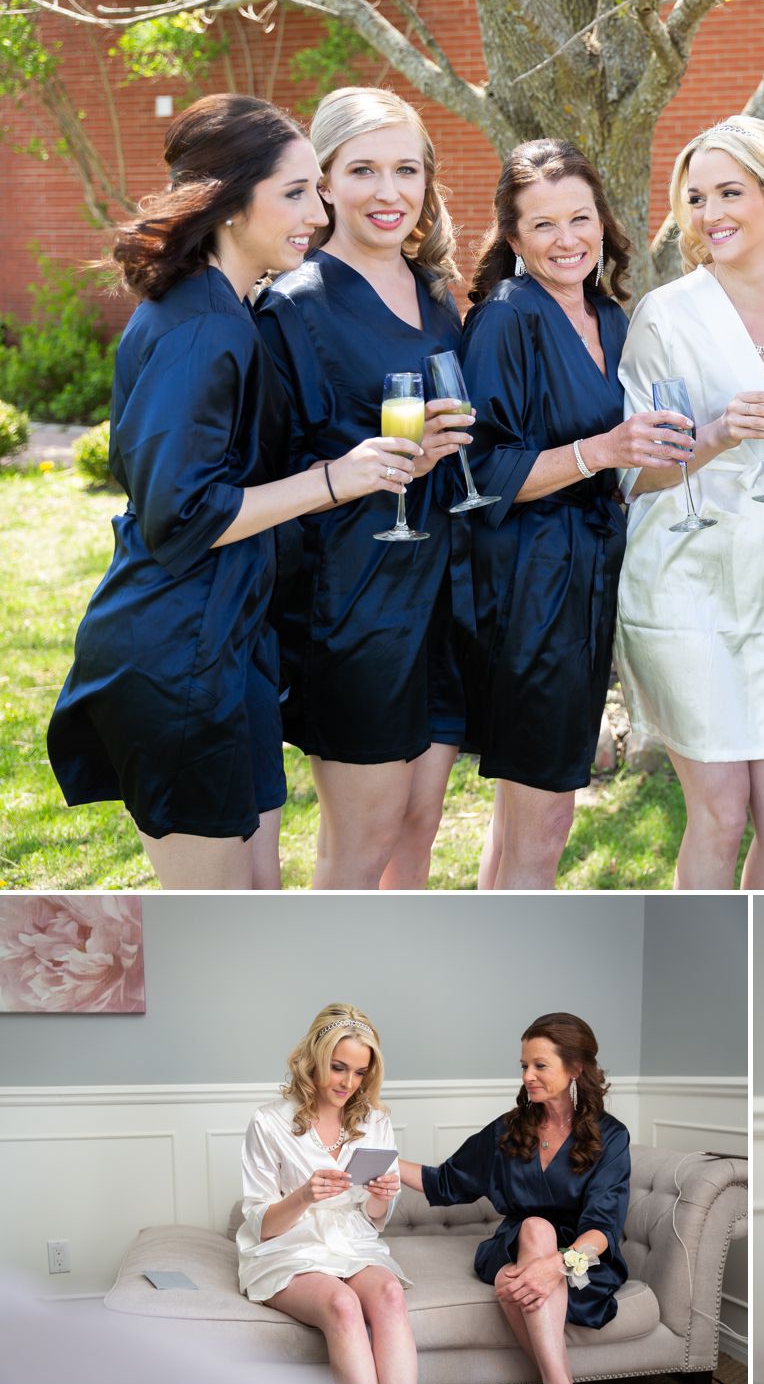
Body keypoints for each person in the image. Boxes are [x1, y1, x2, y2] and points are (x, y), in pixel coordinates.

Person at [46, 95, 398, 887]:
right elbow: (184, 517)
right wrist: (336, 481)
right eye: (297, 191)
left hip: (232, 647)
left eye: (319, 188)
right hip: (177, 658)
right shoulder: (200, 326)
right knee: (213, 926)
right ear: (230, 203)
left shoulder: (234, 307)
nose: (322, 208)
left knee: (260, 900)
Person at [616, 115, 764, 889]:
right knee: (720, 819)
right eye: (696, 197)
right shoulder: (667, 313)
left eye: (730, 192)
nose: (711, 213)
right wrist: (716, 433)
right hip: (683, 574)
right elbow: (634, 474)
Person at [257, 86, 475, 889]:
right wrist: (369, 470)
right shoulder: (292, 304)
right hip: (350, 602)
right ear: (322, 181)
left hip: (441, 594)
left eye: (406, 170)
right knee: (364, 839)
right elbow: (264, 473)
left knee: (418, 830)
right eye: (363, 170)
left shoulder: (434, 293)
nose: (389, 192)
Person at [458, 141, 679, 890]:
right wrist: (601, 451)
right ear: (514, 239)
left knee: (523, 820)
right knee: (546, 820)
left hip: (589, 575)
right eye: (542, 225)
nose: (566, 240)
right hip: (528, 587)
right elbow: (482, 473)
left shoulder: (611, 318)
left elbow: (632, 455)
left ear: (602, 222)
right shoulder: (504, 320)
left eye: (579, 218)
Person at [397, 1014, 630, 1384]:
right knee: (535, 1228)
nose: (527, 1076)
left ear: (575, 1068)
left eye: (540, 1065)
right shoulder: (509, 1129)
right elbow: (446, 1181)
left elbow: (602, 1229)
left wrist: (556, 1266)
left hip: (582, 1257)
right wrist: (388, 1163)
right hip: (516, 1243)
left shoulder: (611, 1137)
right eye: (524, 1066)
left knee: (510, 1279)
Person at [238, 1002, 415, 1384]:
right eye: (339, 1067)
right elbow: (262, 1225)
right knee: (343, 1305)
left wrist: (382, 1196)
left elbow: (372, 1218)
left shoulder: (374, 1121)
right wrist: (303, 1196)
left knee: (388, 1294)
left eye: (359, 1072)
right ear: (314, 1061)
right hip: (287, 1247)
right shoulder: (269, 1122)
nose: (348, 1083)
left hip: (352, 1242)